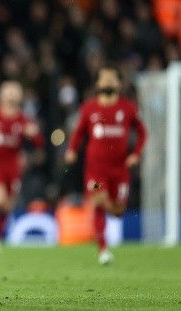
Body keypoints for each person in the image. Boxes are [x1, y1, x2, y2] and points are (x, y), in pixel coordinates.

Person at [64, 63, 147, 265]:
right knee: (98, 199)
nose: (108, 81)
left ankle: (109, 217)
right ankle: (103, 249)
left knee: (117, 211)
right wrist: (72, 150)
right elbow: (79, 133)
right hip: (96, 171)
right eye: (104, 77)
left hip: (120, 171)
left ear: (119, 83)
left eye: (112, 77)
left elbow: (143, 133)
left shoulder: (128, 108)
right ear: (97, 83)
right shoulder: (89, 108)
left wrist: (136, 154)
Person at [0, 81, 44, 254]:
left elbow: (39, 142)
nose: (12, 94)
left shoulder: (23, 120)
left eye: (15, 91)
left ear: (20, 96)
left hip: (13, 166)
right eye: (8, 91)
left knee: (7, 206)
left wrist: (34, 134)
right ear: (1, 95)